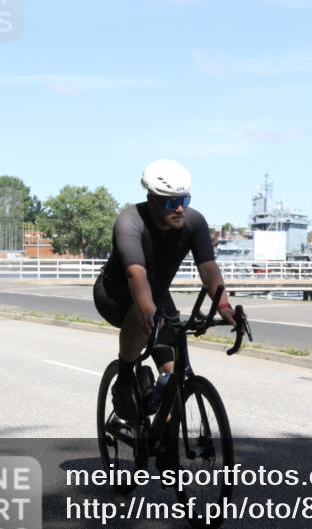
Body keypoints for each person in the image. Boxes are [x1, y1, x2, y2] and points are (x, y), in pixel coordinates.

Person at [94, 159, 237, 421]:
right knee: (141, 314)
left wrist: (224, 306)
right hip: (115, 294)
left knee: (173, 376)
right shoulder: (129, 222)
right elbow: (135, 272)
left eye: (185, 199)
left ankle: (163, 441)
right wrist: (148, 310)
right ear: (152, 200)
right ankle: (125, 380)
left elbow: (208, 268)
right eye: (172, 202)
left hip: (157, 295)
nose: (180, 208)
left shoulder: (194, 222)